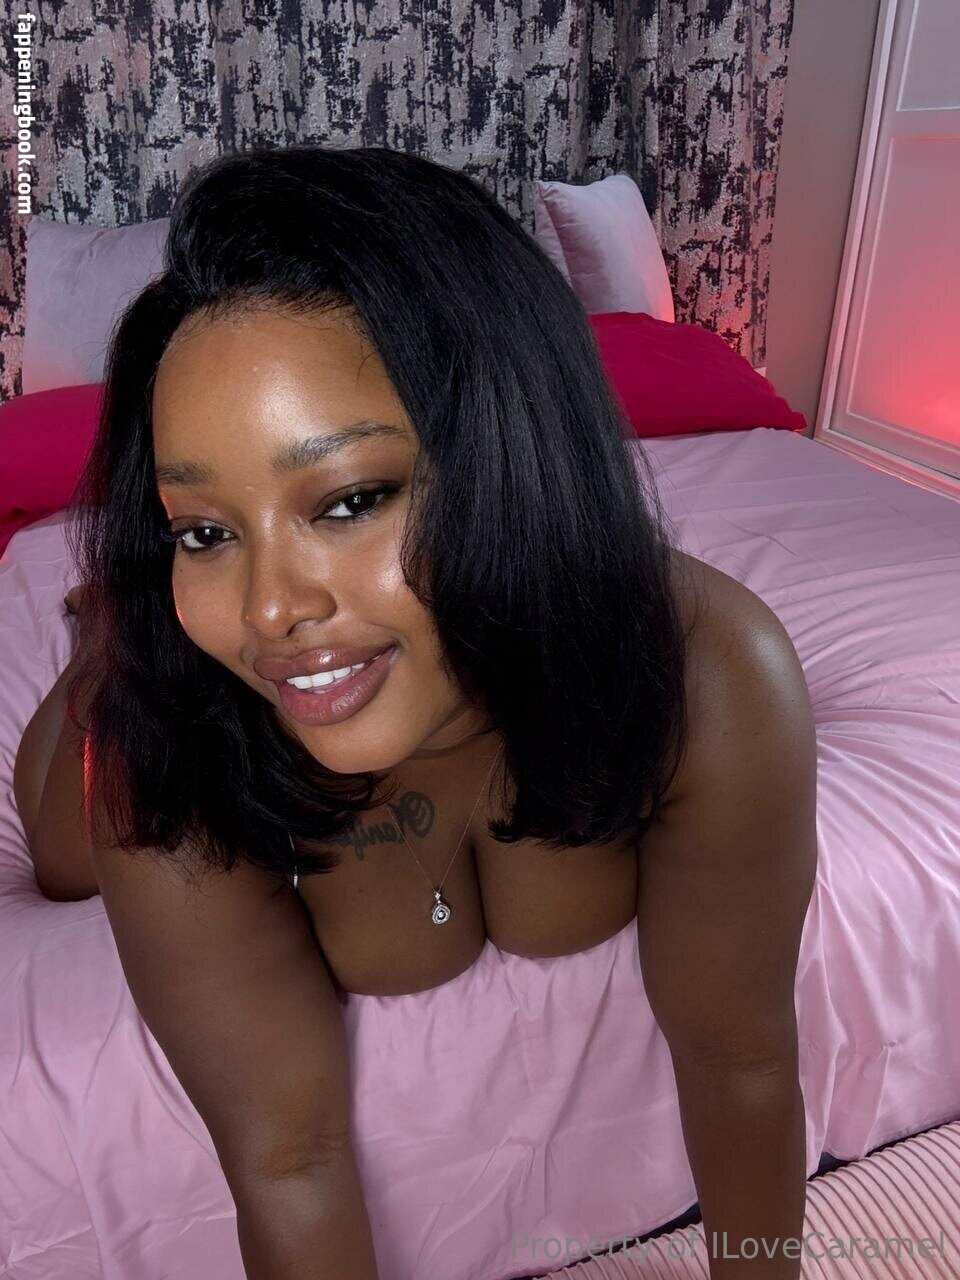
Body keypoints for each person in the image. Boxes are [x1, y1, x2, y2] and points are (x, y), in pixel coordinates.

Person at [13, 144, 818, 1280]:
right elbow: (286, 1159)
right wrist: (134, 645)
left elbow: (743, 1057)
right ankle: (105, 631)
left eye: (349, 499)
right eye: (204, 530)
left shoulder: (708, 673)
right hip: (136, 719)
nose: (270, 607)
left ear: (513, 453)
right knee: (68, 852)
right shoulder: (176, 754)